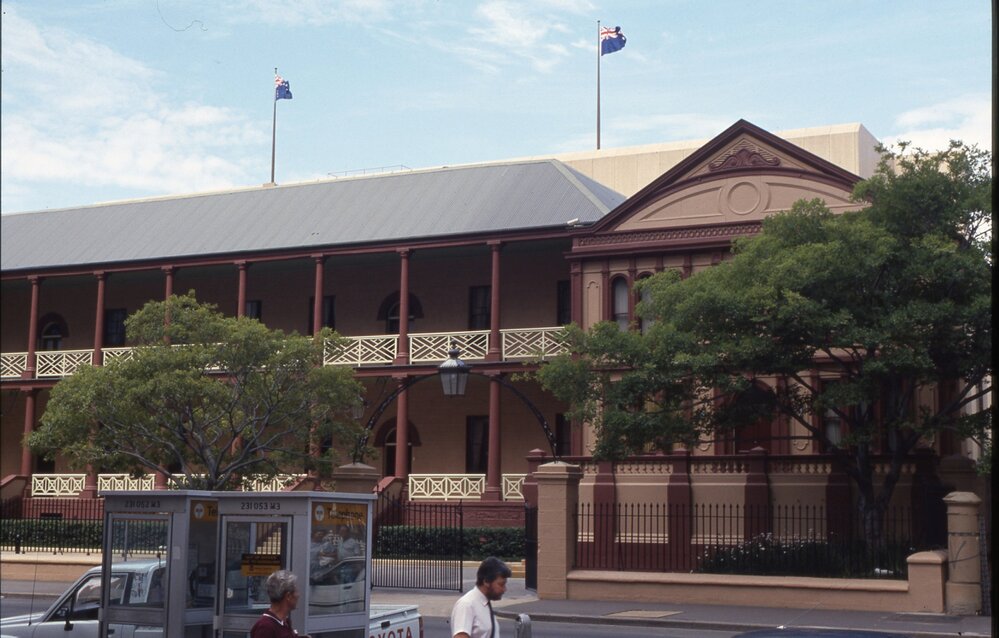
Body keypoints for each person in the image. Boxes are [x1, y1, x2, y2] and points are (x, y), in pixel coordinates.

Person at [450, 557, 511, 638]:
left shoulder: (484, 603)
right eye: (501, 584)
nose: (504, 589)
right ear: (486, 581)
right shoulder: (467, 605)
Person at [250, 570, 305, 638]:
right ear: (288, 596)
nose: (298, 595)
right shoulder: (265, 628)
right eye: (296, 591)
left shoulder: (284, 622)